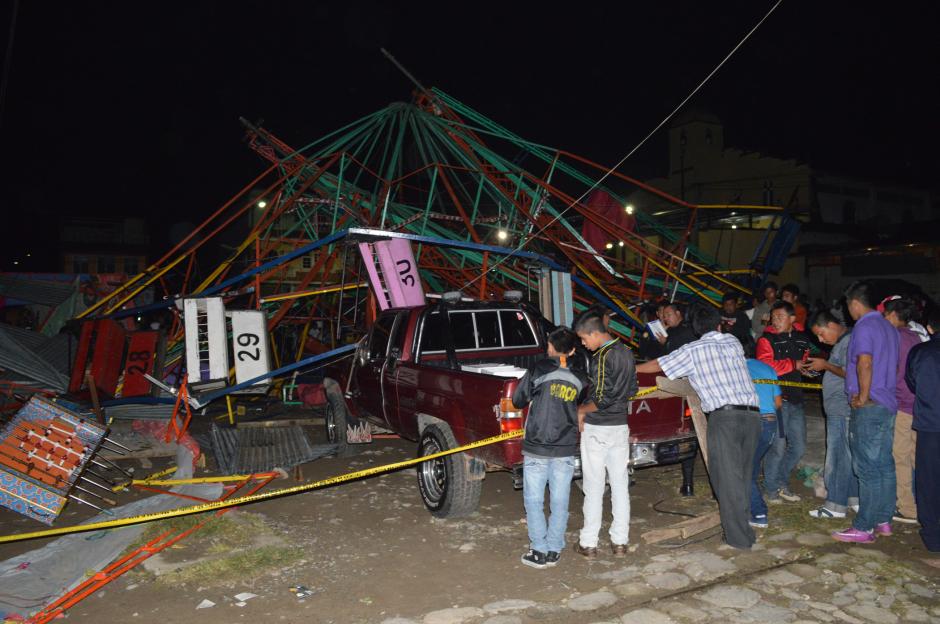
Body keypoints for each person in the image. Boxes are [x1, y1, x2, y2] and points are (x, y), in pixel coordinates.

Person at [637, 305, 761, 549]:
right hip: (753, 417)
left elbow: (660, 364)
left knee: (726, 481)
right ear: (719, 325)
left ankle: (739, 539)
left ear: (695, 329)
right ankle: (743, 527)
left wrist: (633, 368)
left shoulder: (693, 350)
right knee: (744, 477)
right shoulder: (733, 342)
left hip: (725, 419)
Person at [512, 327, 591, 569]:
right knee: (560, 500)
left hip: (537, 446)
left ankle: (538, 550)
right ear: (574, 349)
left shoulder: (538, 369)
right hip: (565, 447)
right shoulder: (581, 378)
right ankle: (554, 549)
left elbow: (518, 400)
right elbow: (581, 402)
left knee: (534, 501)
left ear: (549, 347)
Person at [832, 281, 899, 543]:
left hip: (869, 406)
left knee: (868, 469)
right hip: (886, 404)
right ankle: (883, 520)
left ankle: (864, 526)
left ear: (854, 304)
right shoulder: (889, 327)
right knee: (884, 465)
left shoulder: (864, 325)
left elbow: (865, 362)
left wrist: (862, 395)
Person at [573, 312, 638, 558]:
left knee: (594, 486)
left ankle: (588, 543)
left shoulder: (602, 356)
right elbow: (632, 388)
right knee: (620, 484)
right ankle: (620, 542)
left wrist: (581, 410)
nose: (583, 344)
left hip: (598, 428)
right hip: (620, 426)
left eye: (583, 338)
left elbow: (600, 399)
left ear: (594, 333)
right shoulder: (627, 351)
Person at [757, 301, 815, 504]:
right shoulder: (767, 339)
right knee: (778, 447)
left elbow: (804, 361)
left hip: (797, 399)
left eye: (780, 317)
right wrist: (793, 364)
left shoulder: (802, 340)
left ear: (792, 319)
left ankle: (779, 482)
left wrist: (806, 369)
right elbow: (765, 365)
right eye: (773, 317)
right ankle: (772, 489)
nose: (775, 321)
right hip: (777, 401)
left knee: (798, 447)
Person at [804, 311, 859, 519]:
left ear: (831, 324)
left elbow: (851, 372)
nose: (820, 339)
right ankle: (855, 499)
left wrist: (825, 365)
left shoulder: (848, 342)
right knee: (847, 455)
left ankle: (835, 505)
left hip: (841, 409)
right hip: (841, 408)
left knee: (837, 457)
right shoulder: (844, 341)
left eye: (821, 333)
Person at [882, 297, 922, 524]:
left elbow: (892, 373)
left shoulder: (894, 337)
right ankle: (926, 504)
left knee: (901, 458)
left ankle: (907, 509)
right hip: (918, 404)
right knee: (919, 458)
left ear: (892, 314)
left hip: (902, 405)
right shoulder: (915, 336)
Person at [904, 308, 940, 552]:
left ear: (929, 328)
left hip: (931, 424)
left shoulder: (921, 352)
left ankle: (933, 536)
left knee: (928, 481)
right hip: (930, 422)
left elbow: (911, 382)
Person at [746, 357, 782, 530]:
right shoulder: (768, 369)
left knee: (743, 469)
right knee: (751, 467)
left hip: (750, 422)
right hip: (770, 423)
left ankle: (759, 513)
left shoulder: (735, 367)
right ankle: (749, 505)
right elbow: (778, 403)